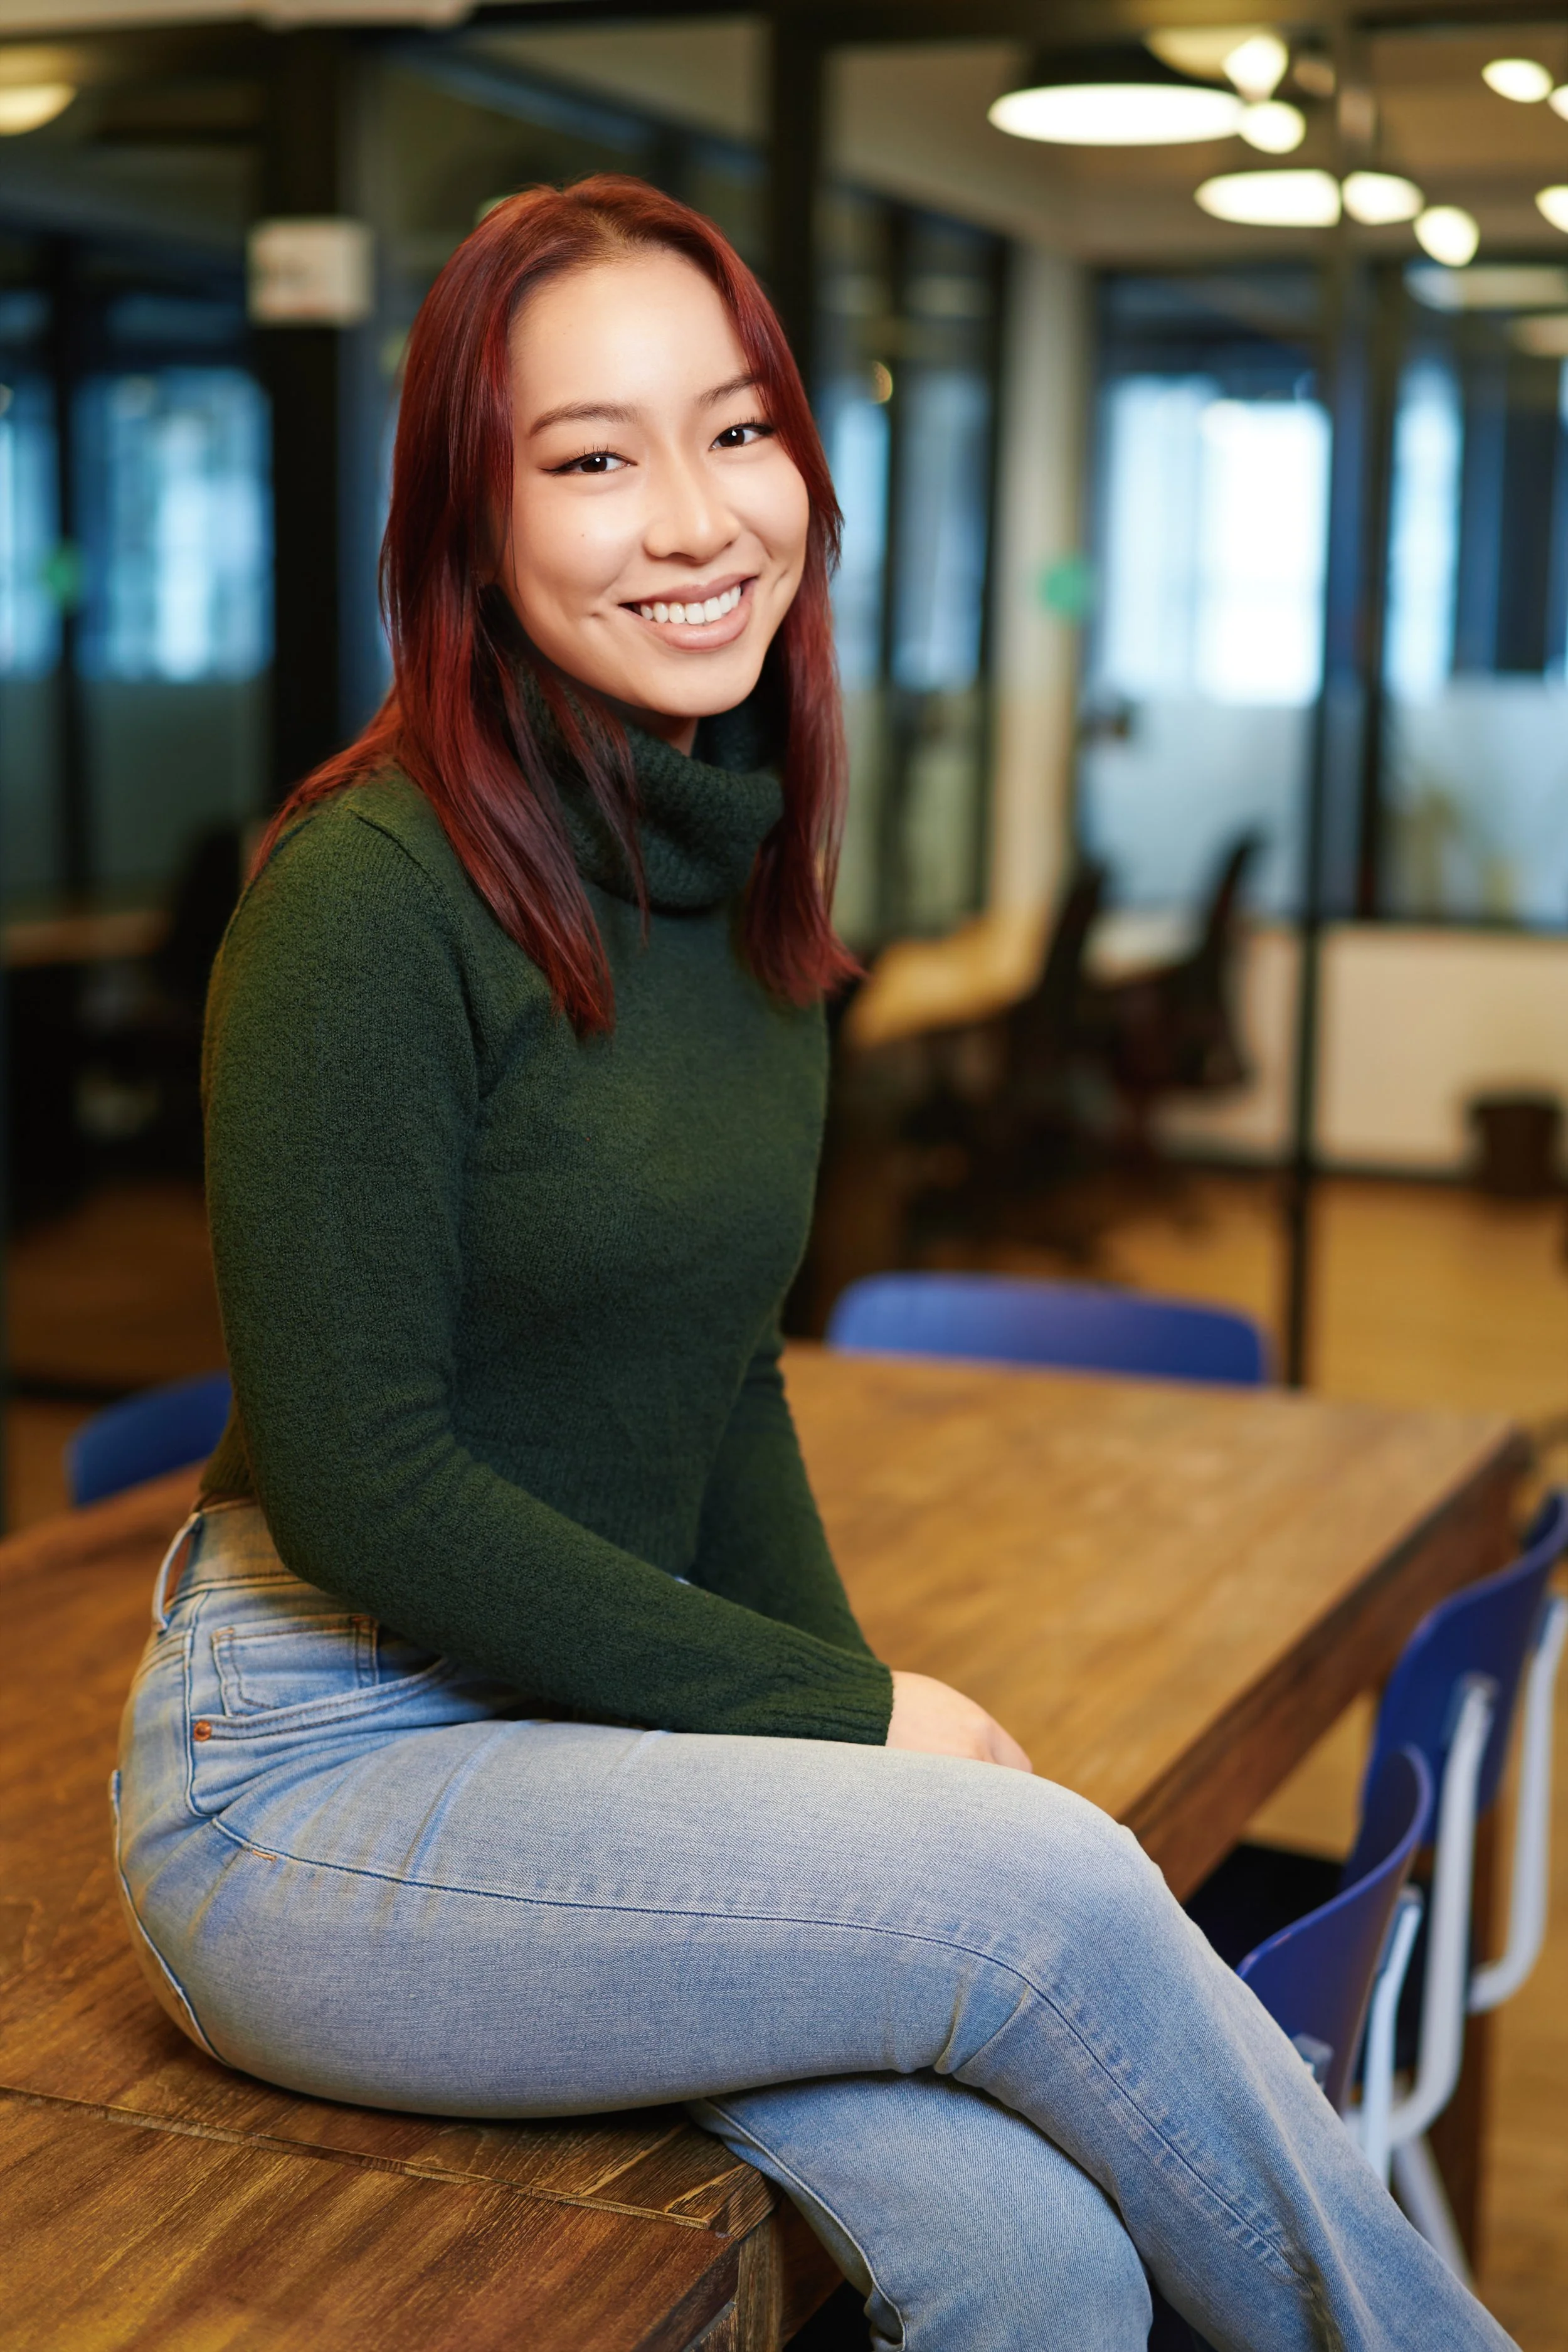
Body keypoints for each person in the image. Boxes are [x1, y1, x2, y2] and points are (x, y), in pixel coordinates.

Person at [114, 177, 1512, 2352]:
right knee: (1048, 1880)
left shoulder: (738, 875)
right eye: (590, 458)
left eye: (736, 430)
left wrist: (850, 1766)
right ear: (469, 531)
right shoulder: (364, 897)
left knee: (1024, 2253)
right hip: (310, 1781)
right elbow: (357, 1477)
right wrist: (853, 1717)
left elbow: (720, 1375)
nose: (690, 518)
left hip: (588, 1730)